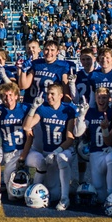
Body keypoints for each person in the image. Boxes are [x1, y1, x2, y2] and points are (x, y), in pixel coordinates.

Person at [22, 82, 77, 210]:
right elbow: (26, 126)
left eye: (52, 94)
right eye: (48, 93)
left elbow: (70, 139)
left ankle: (65, 198)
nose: (49, 96)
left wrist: (56, 151)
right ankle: (35, 188)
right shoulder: (42, 108)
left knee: (61, 159)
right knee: (53, 194)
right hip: (47, 153)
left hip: (64, 150)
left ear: (60, 96)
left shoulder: (68, 110)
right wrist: (33, 108)